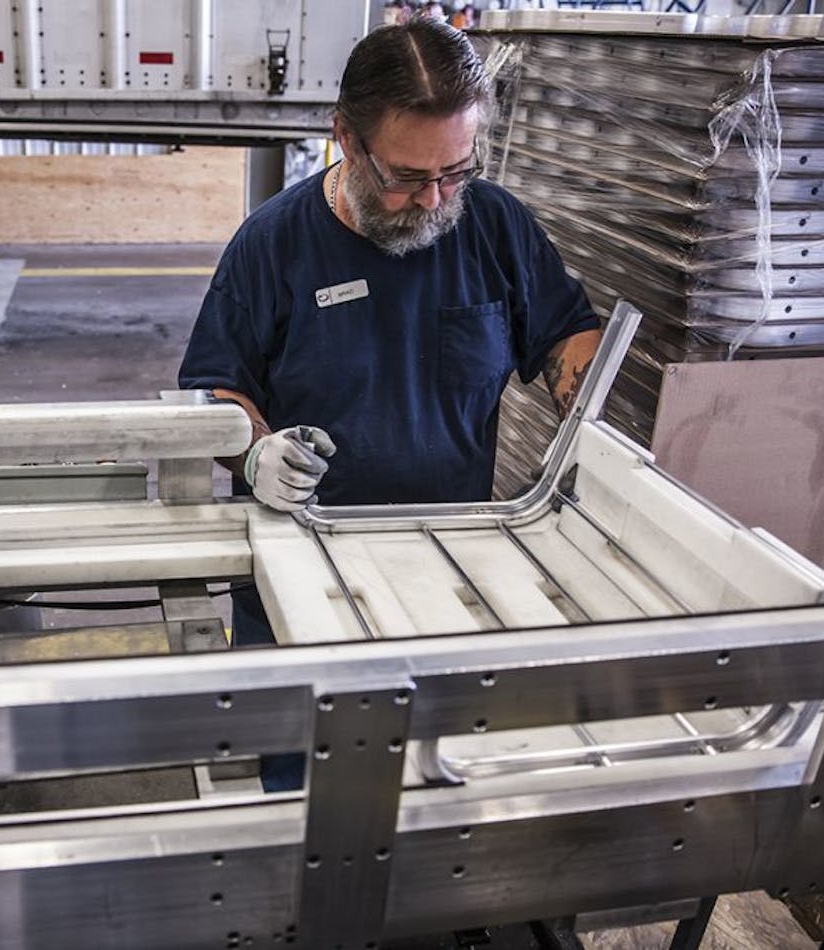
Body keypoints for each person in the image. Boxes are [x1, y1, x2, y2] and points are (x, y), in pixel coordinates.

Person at [178, 21, 601, 786]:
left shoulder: (494, 226)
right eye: (406, 177)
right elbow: (214, 387)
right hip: (301, 574)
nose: (433, 200)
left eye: (455, 172)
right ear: (344, 136)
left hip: (447, 572)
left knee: (433, 794)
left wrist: (595, 413)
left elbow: (569, 335)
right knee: (305, 799)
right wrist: (252, 450)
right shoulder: (272, 245)